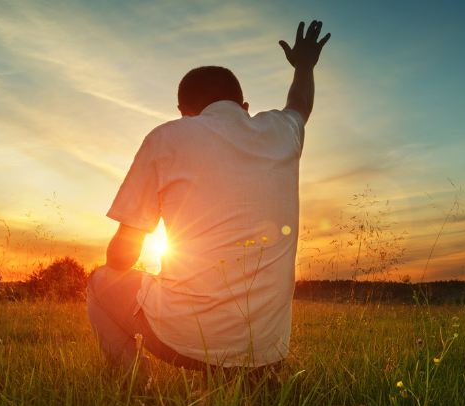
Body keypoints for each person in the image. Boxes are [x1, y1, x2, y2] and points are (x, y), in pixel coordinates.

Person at [86, 21, 331, 378]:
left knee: (100, 280)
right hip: (268, 350)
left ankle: (135, 385)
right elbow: (301, 104)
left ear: (183, 111)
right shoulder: (282, 131)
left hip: (183, 344)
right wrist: (305, 66)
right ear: (244, 106)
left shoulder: (165, 138)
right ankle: (252, 378)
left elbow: (121, 258)